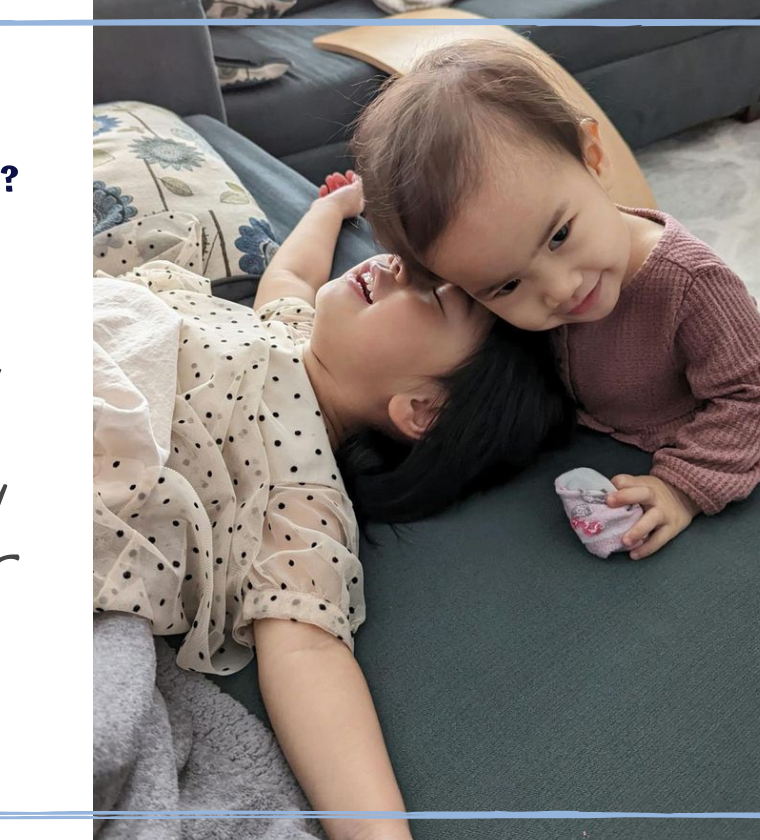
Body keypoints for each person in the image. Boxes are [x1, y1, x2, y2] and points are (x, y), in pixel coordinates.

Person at [94, 173, 568, 839]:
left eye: (429, 295)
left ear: (422, 411)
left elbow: (309, 654)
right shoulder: (291, 330)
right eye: (417, 263)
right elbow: (290, 272)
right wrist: (334, 207)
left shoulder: (302, 491)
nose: (398, 266)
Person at [350, 40, 760, 560]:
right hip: (620, 442)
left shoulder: (691, 282)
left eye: (559, 236)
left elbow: (758, 391)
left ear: (591, 155)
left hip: (722, 452)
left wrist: (684, 487)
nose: (559, 288)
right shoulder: (496, 261)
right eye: (506, 286)